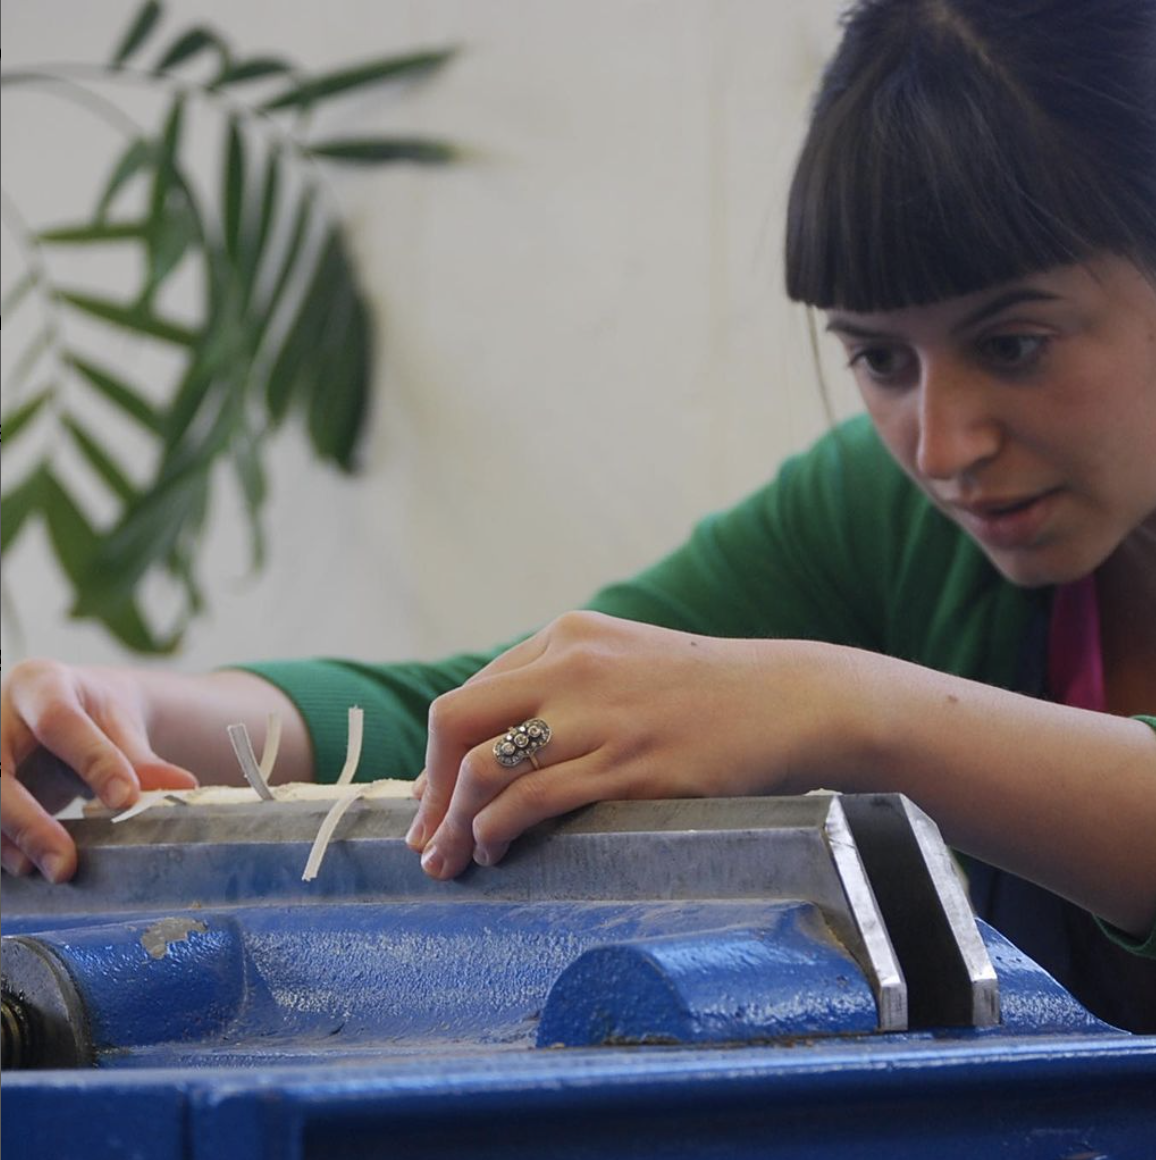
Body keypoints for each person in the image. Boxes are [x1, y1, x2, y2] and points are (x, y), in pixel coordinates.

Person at [3, 0, 1155, 1031]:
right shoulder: (885, 512)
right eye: (877, 356)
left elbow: (827, 709)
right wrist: (136, 711)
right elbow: (494, 721)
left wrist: (855, 710)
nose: (942, 445)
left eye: (1014, 344)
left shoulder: (909, 569)